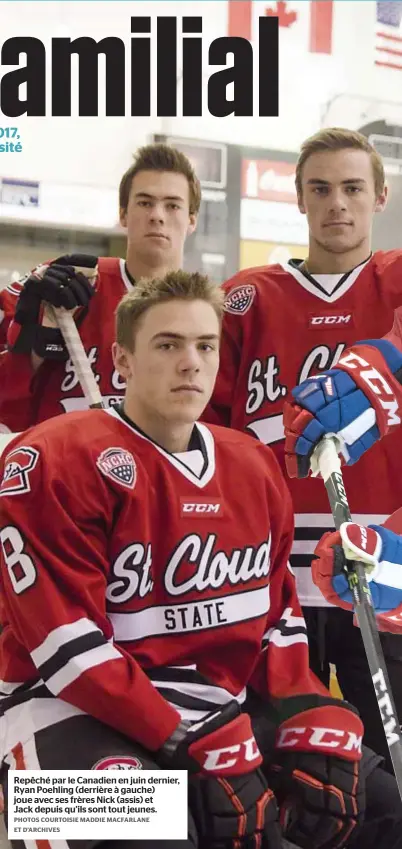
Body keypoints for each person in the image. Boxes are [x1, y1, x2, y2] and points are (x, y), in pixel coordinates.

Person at [1, 269, 399, 849]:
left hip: (219, 713)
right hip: (57, 711)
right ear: (123, 360)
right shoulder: (52, 457)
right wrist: (181, 742)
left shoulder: (251, 464)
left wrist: (306, 705)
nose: (191, 362)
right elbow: (65, 650)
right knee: (159, 830)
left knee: (376, 806)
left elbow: (276, 617)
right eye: (168, 344)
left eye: (205, 345)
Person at [203, 127, 402, 770]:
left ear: (380, 196)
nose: (336, 204)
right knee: (288, 773)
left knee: (389, 772)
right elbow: (207, 430)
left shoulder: (397, 282)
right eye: (320, 189)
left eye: (351, 188)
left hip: (383, 569)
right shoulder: (247, 297)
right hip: (268, 575)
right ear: (298, 199)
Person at [0, 143, 200, 433]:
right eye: (145, 203)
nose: (157, 215)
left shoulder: (207, 314)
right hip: (59, 468)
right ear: (123, 214)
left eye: (172, 205)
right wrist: (30, 345)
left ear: (191, 219)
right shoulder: (69, 280)